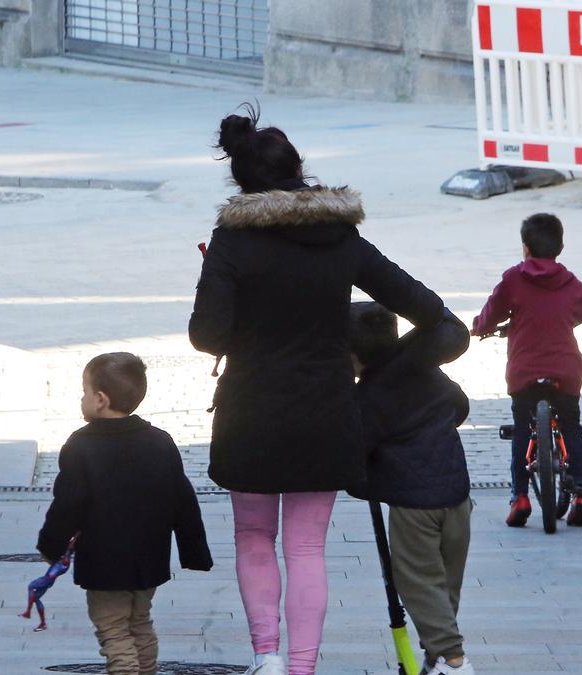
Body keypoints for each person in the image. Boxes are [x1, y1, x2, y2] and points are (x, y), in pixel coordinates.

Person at [189, 108, 444, 675]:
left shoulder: (231, 241)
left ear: (240, 180)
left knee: (254, 535)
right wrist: (384, 371)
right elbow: (433, 317)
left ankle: (268, 658)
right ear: (300, 171)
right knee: (306, 548)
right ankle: (303, 666)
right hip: (326, 412)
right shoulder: (341, 239)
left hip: (251, 410)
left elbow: (205, 335)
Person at [36, 352, 213, 675]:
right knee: (140, 623)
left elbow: (68, 504)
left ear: (100, 399)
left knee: (113, 629)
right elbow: (183, 500)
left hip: (104, 563)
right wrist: (194, 551)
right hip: (149, 559)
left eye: (85, 391)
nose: (83, 397)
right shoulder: (160, 441)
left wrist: (51, 546)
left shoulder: (80, 446)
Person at [347, 302, 474, 675]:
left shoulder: (367, 396)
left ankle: (453, 660)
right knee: (446, 584)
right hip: (456, 492)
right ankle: (436, 657)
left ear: (352, 356)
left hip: (414, 502)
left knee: (419, 581)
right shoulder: (426, 371)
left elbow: (355, 451)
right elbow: (459, 405)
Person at [471, 213, 582, 528]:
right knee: (572, 428)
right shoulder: (569, 282)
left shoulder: (512, 280)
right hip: (565, 370)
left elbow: (491, 314)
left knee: (522, 430)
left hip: (524, 370)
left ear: (525, 248)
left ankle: (520, 497)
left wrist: (478, 328)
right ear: (561, 246)